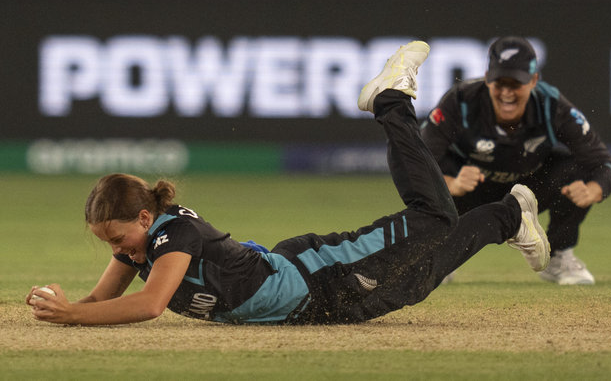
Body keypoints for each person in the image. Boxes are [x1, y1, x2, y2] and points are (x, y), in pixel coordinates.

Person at [27, 41, 550, 326]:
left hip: (320, 276)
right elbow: (99, 300)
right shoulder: (138, 246)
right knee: (417, 280)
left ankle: (391, 100)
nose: (117, 250)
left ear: (145, 217)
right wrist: (59, 304)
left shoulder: (171, 234)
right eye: (109, 244)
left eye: (117, 238)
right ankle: (508, 215)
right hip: (313, 303)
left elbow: (149, 306)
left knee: (435, 220)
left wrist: (72, 316)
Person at [420, 36, 611, 285]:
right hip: (469, 190)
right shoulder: (460, 101)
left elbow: (606, 165)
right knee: (433, 171)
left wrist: (594, 190)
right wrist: (449, 183)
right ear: (487, 78)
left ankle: (558, 256)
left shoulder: (552, 106)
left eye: (515, 83)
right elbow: (414, 161)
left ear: (534, 81)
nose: (506, 92)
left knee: (577, 170)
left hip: (528, 192)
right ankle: (441, 254)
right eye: (499, 83)